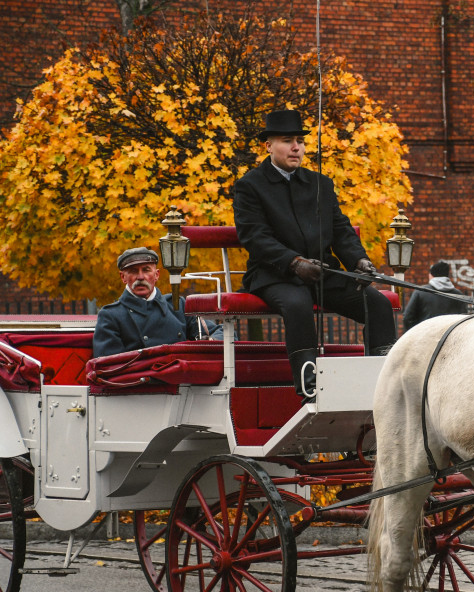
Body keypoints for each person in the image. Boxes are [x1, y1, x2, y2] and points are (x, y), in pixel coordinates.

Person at [233, 109, 397, 400]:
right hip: (275, 274)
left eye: (300, 140)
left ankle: (382, 384)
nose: (296, 147)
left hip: (322, 273)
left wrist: (359, 261)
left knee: (378, 305)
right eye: (287, 140)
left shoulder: (320, 183)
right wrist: (295, 263)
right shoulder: (250, 186)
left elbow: (341, 230)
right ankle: (309, 386)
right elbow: (255, 237)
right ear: (268, 145)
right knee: (298, 305)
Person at [93, 247, 222, 357]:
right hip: (142, 384)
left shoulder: (177, 305)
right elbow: (109, 365)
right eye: (133, 271)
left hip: (184, 383)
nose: (140, 277)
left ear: (157, 275)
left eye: (146, 270)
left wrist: (211, 341)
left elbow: (221, 332)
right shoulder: (111, 315)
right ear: (123, 277)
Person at [402, 261, 469, 329]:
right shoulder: (458, 295)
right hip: (449, 336)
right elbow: (464, 319)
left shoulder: (420, 292)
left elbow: (407, 317)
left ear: (431, 275)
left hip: (425, 335)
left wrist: (415, 333)